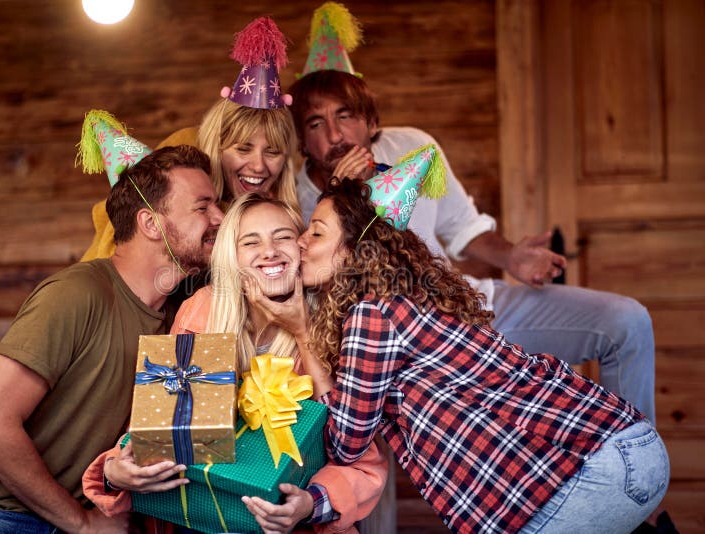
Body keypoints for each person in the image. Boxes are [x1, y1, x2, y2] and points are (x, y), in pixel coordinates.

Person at [287, 68, 658, 428]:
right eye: (316, 123)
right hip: (389, 352)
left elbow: (464, 227)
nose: (335, 134)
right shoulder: (293, 197)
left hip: (465, 311)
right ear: (302, 141)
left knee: (625, 322)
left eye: (345, 115)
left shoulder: (414, 147)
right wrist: (338, 192)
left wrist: (511, 257)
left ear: (371, 122)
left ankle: (640, 462)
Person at [298, 176, 669, 533]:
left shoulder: (373, 312)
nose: (301, 241)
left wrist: (301, 331)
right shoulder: (421, 298)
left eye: (316, 232)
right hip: (630, 445)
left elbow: (346, 442)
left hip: (589, 473)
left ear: (359, 249)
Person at [0, 145, 224, 533]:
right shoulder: (75, 292)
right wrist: (81, 523)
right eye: (202, 207)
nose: (220, 217)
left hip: (101, 515)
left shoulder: (185, 318)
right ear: (151, 224)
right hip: (3, 516)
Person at [83, 193, 388, 534]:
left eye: (283, 237)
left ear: (301, 249)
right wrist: (114, 471)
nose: (270, 251)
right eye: (251, 242)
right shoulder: (203, 310)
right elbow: (161, 419)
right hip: (199, 517)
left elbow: (359, 459)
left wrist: (310, 504)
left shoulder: (339, 327)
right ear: (233, 257)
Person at [81, 15, 300, 262]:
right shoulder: (185, 154)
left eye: (272, 152)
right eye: (243, 149)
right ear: (218, 146)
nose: (258, 166)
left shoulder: (281, 210)